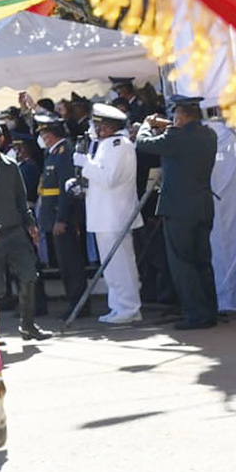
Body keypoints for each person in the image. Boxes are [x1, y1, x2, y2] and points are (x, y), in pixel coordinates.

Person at [136, 95, 219, 330]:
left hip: (179, 209)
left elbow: (144, 143)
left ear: (180, 116)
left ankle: (194, 314)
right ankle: (209, 311)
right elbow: (182, 134)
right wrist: (168, 125)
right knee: (203, 262)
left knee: (182, 264)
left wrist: (146, 125)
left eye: (175, 115)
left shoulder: (176, 137)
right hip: (203, 207)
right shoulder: (208, 135)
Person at [0, 121, 52, 340]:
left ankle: (28, 325)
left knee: (28, 276)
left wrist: (30, 224)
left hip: (14, 231)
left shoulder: (10, 165)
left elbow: (20, 200)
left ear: (1, 140)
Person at [72, 104, 143, 324]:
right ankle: (118, 307)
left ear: (108, 126)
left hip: (114, 215)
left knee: (121, 266)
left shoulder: (119, 145)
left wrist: (86, 164)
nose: (95, 128)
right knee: (111, 268)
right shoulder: (107, 145)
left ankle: (129, 309)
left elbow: (110, 179)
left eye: (98, 124)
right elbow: (100, 179)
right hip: (103, 215)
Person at [33, 115, 89, 318]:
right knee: (64, 263)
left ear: (50, 135)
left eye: (43, 134)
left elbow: (67, 189)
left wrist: (62, 219)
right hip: (52, 216)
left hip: (62, 217)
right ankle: (73, 301)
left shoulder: (65, 153)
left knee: (71, 263)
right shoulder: (53, 153)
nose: (42, 137)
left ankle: (79, 304)